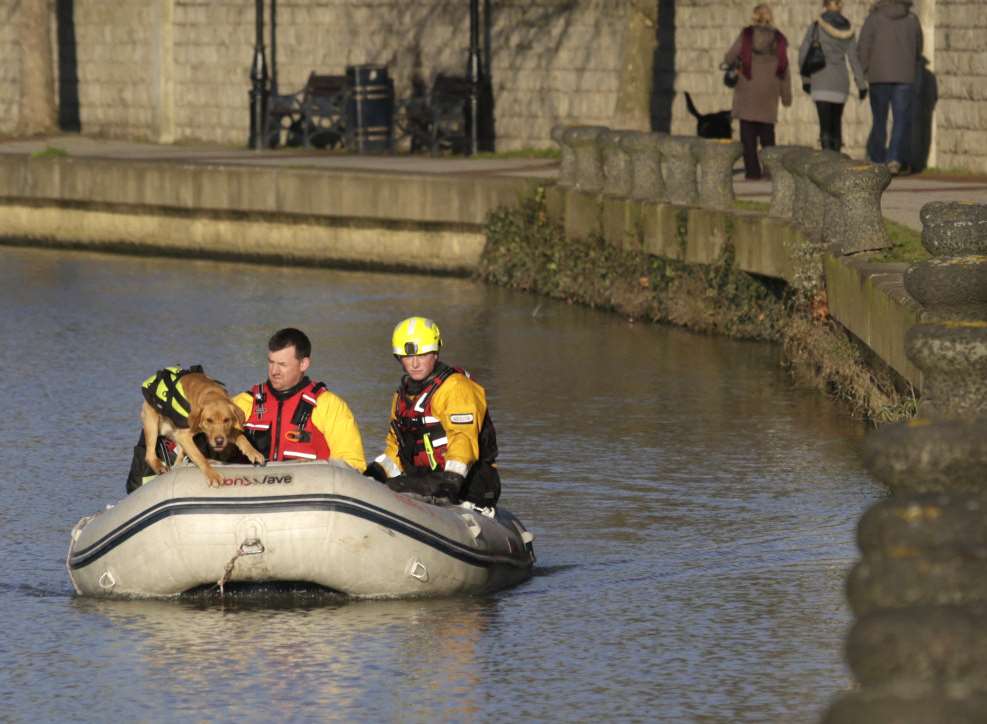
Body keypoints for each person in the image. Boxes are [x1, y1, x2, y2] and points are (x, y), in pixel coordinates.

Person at [363, 316, 501, 507]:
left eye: (422, 355)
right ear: (399, 358)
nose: (415, 363)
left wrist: (450, 482)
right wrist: (374, 473)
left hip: (469, 482)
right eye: (408, 357)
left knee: (397, 487)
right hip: (426, 479)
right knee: (384, 487)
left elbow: (463, 439)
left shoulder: (456, 388)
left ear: (435, 353)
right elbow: (395, 449)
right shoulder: (402, 397)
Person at [233, 327, 366, 471]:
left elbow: (353, 464)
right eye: (271, 362)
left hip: (312, 489)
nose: (274, 371)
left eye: (282, 365)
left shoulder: (329, 406)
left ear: (303, 364)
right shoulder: (245, 403)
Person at [724, 3, 793, 180]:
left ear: (754, 17)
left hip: (747, 90)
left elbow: (729, 57)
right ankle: (770, 172)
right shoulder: (779, 39)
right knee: (768, 138)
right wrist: (786, 97)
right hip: (769, 93)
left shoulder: (746, 35)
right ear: (770, 17)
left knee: (748, 140)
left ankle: (752, 173)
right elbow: (784, 68)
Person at [858, 0, 923, 175]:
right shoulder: (912, 19)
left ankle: (878, 159)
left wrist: (865, 69)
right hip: (904, 76)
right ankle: (894, 158)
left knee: (879, 119)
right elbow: (918, 48)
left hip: (878, 76)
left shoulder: (874, 18)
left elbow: (863, 45)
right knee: (901, 120)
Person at [798, 0, 868, 152]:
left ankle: (827, 160)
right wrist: (861, 85)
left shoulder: (816, 26)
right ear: (840, 5)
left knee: (825, 125)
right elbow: (854, 58)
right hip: (840, 82)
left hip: (820, 80)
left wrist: (805, 79)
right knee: (836, 123)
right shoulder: (848, 28)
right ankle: (837, 159)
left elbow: (803, 53)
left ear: (825, 5)